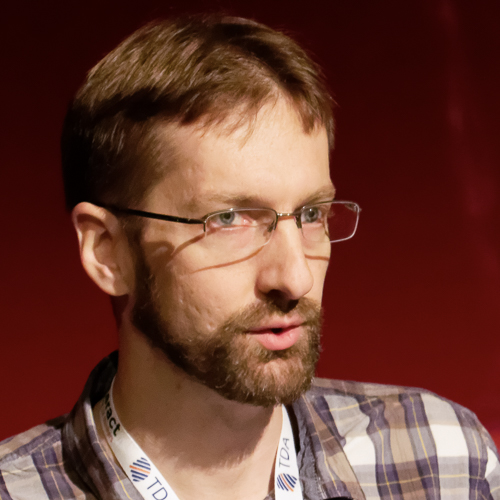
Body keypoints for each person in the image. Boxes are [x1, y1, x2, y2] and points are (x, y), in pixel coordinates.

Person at [1, 13, 499, 500]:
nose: (295, 277)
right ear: (107, 251)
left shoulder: (444, 460)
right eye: (229, 219)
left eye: (311, 214)